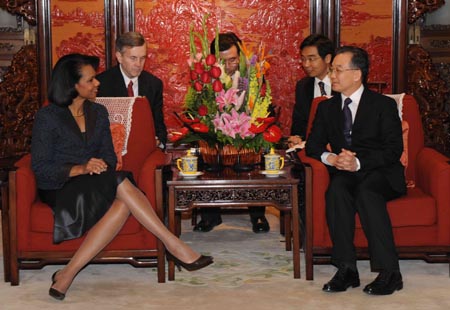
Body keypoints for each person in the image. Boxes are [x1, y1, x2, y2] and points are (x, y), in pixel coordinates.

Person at [32, 54, 213, 301]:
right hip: (60, 185)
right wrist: (81, 168)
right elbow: (41, 167)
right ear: (73, 85)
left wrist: (97, 167)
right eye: (91, 79)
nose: (97, 84)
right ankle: (172, 244)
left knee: (122, 198)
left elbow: (107, 155)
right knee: (123, 182)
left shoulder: (98, 112)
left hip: (94, 181)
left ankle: (67, 273)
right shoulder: (48, 117)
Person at [305, 46, 406, 295]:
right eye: (332, 70)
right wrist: (333, 159)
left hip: (382, 173)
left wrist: (358, 162)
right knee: (337, 189)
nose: (332, 76)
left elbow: (393, 150)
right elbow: (313, 146)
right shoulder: (326, 108)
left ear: (357, 74)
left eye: (338, 70)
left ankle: (390, 272)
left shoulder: (382, 105)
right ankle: (347, 269)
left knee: (367, 191)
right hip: (346, 173)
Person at [193, 32, 270, 234]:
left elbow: (263, 108)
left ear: (241, 57)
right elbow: (199, 110)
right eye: (222, 61)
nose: (228, 66)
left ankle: (258, 214)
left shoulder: (253, 76)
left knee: (255, 149)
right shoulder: (207, 80)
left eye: (233, 59)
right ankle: (210, 216)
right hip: (218, 134)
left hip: (246, 134)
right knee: (206, 147)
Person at [96, 32, 167, 149]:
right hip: (112, 153)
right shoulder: (101, 84)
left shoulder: (154, 84)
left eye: (142, 58)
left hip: (145, 151)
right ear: (119, 57)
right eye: (133, 58)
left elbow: (159, 126)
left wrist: (158, 142)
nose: (138, 64)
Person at [288, 34, 335, 148]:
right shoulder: (303, 86)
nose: (306, 64)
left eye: (311, 59)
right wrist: (297, 137)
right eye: (303, 59)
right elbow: (299, 122)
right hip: (311, 150)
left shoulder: (341, 84)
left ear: (327, 58)